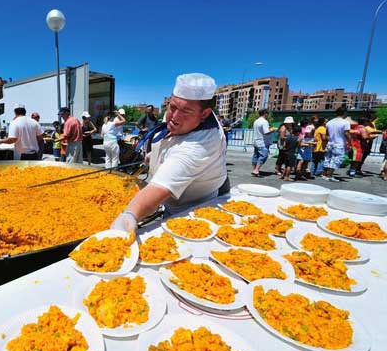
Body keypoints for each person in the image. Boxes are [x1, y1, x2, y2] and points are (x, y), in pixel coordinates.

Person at [110, 73, 228, 233]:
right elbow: (171, 139)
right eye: (172, 107)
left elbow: (159, 188)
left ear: (204, 114)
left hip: (193, 212)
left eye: (186, 111)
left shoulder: (200, 145)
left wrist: (130, 215)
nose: (174, 116)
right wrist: (155, 157)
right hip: (172, 203)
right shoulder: (181, 114)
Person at [322, 107, 351, 182]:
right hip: (339, 144)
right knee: (337, 159)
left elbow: (327, 134)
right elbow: (347, 133)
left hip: (330, 143)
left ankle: (324, 174)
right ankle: (329, 175)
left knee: (328, 158)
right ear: (344, 113)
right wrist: (350, 143)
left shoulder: (329, 122)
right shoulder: (345, 122)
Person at [251, 109, 276, 177]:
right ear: (265, 114)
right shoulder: (264, 122)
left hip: (256, 141)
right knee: (263, 156)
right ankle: (256, 170)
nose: (268, 115)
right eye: (267, 114)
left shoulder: (256, 121)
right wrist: (273, 130)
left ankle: (254, 169)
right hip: (263, 142)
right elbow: (266, 132)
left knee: (256, 155)